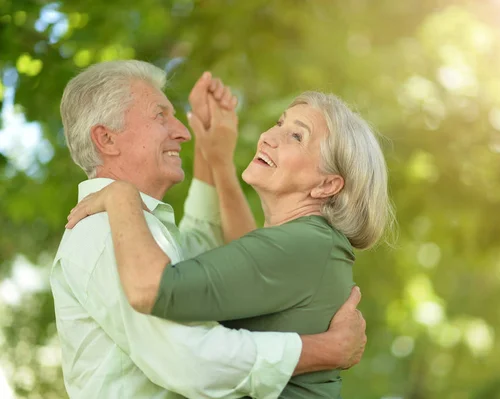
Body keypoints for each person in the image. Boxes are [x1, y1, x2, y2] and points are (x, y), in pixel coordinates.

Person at [52, 60, 366, 399]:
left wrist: (210, 145)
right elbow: (189, 360)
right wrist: (324, 350)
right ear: (107, 139)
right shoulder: (103, 232)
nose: (182, 132)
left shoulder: (136, 227)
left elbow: (204, 241)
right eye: (160, 115)